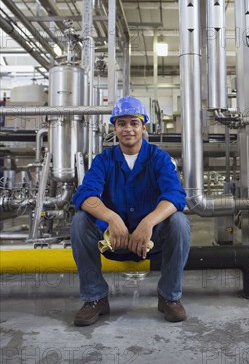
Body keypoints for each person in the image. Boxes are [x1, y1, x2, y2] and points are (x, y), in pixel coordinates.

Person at [71, 95, 190, 326]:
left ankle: (169, 297)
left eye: (134, 123)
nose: (128, 129)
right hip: (111, 239)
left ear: (143, 127)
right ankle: (95, 298)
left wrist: (147, 223)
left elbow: (176, 196)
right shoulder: (103, 161)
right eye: (122, 123)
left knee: (179, 222)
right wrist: (112, 218)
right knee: (79, 221)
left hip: (151, 240)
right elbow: (84, 195)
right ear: (114, 128)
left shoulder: (159, 158)